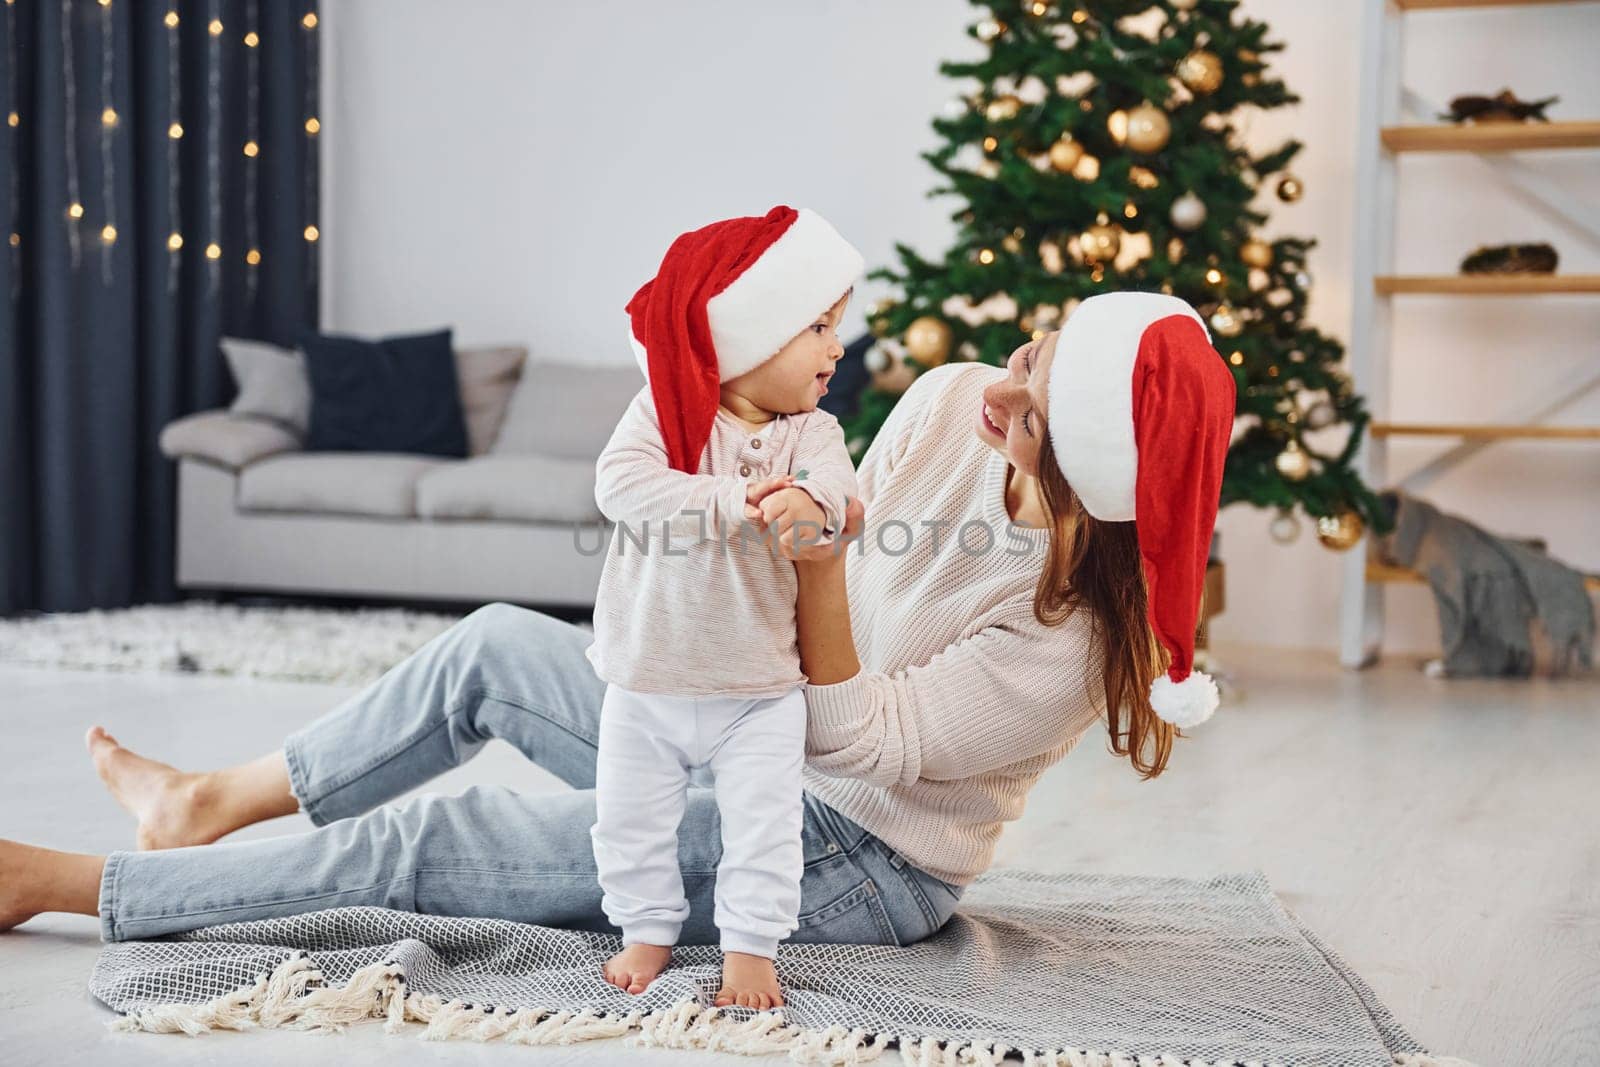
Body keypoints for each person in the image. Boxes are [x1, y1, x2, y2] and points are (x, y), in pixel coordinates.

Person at [0, 292, 1237, 1010]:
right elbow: (824, 536)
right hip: (752, 715)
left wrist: (805, 570)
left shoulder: (1072, 639)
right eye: (1034, 350)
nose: (1003, 385)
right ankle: (205, 801)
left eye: (1037, 405)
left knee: (444, 846)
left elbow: (856, 739)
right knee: (486, 648)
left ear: (1093, 471)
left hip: (857, 845)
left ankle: (71, 885)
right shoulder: (953, 399)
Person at [588, 206, 861, 1008]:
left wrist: (816, 505)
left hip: (757, 689)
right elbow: (619, 486)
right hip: (646, 680)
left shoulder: (811, 433)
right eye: (817, 325)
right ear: (749, 335)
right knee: (628, 822)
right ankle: (646, 925)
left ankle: (750, 945)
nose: (836, 347)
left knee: (766, 827)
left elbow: (844, 496)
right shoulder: (664, 416)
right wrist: (734, 497)